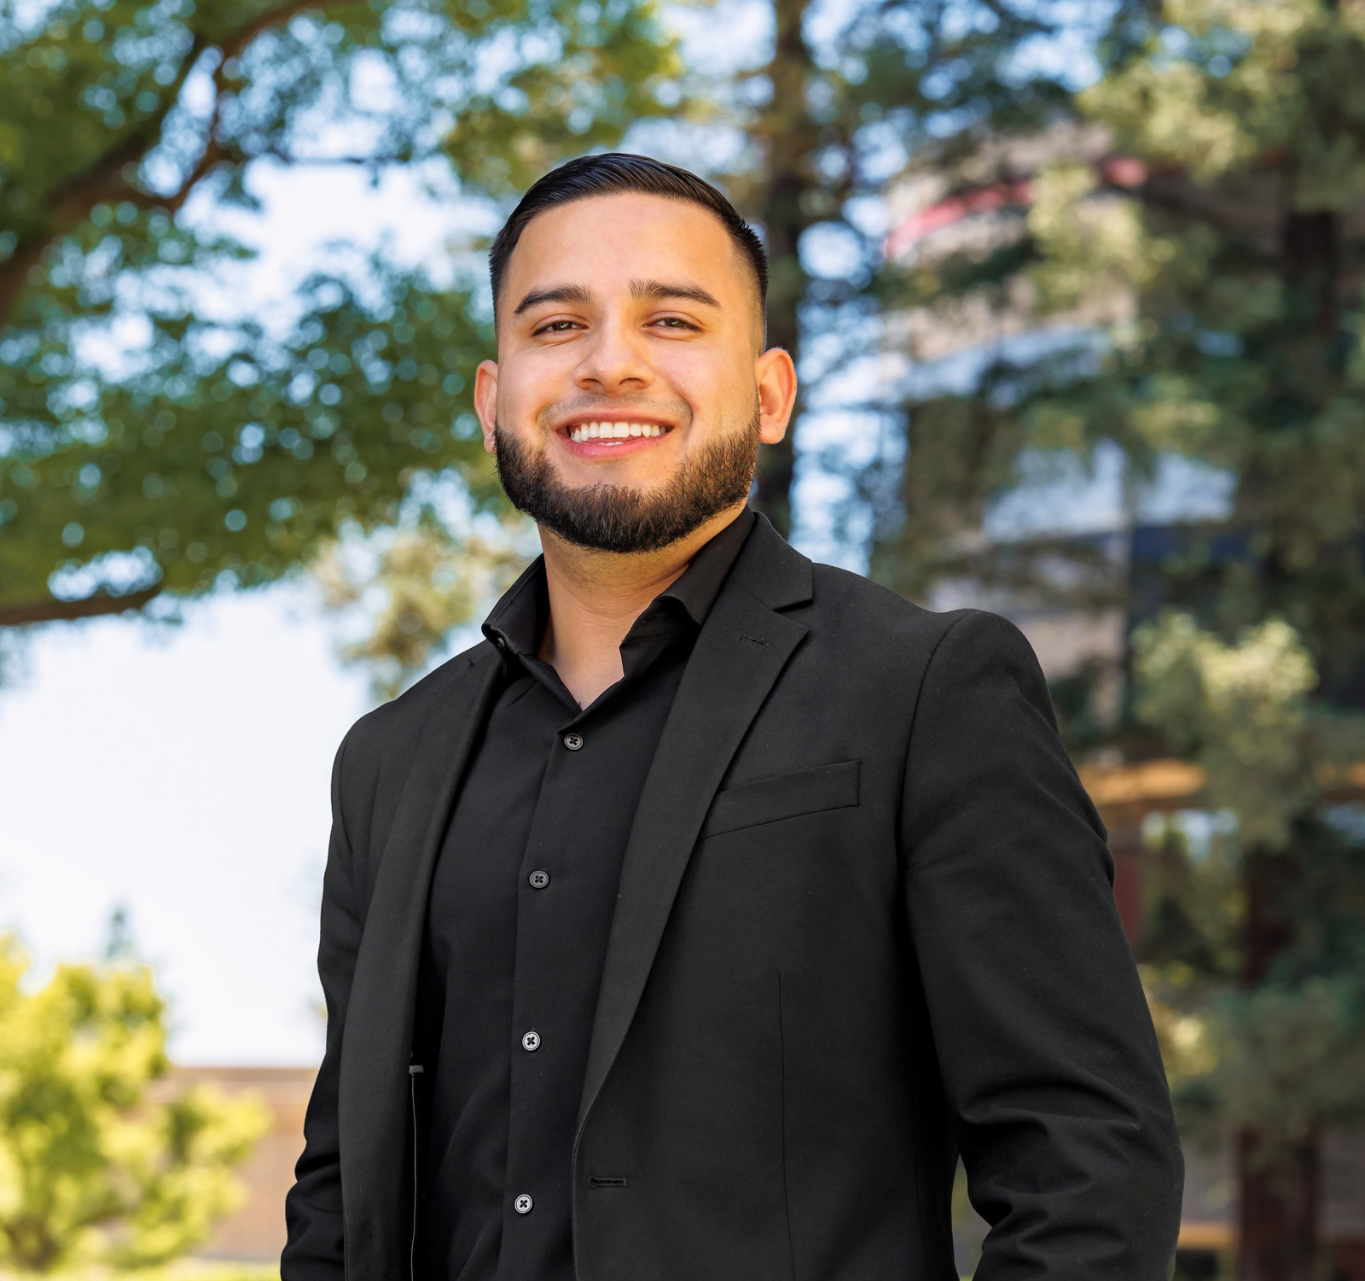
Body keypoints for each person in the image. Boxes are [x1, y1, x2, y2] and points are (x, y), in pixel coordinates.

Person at [281, 152, 1184, 1281]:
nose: (610, 363)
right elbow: (342, 1198)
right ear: (492, 397)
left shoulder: (926, 690)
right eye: (556, 327)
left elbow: (1089, 1165)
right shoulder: (388, 761)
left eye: (670, 320)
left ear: (769, 395)